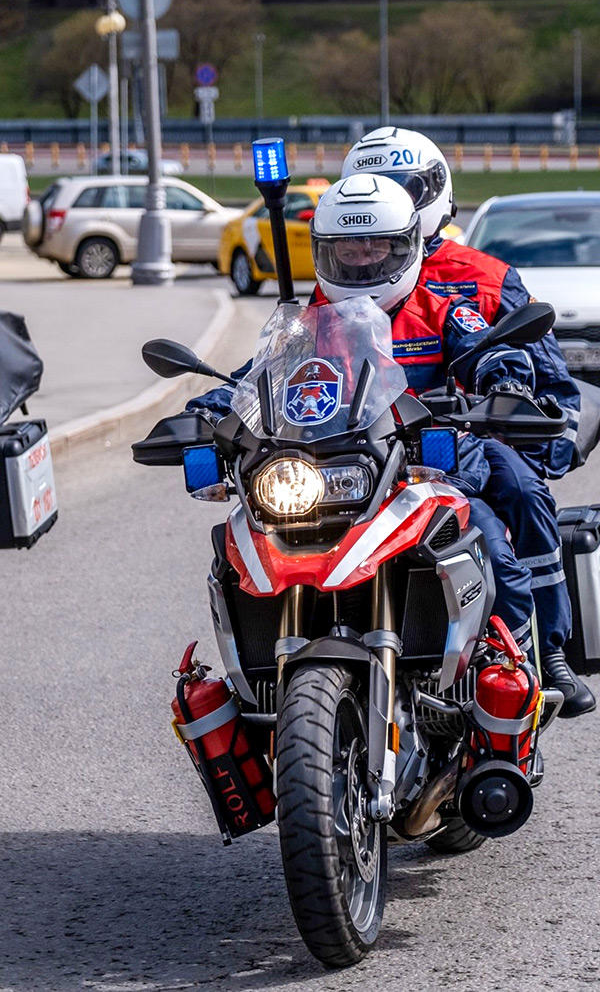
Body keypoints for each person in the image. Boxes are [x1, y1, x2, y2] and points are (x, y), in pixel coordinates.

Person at [187, 173, 540, 660]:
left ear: (406, 246)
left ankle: (516, 667)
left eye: (376, 248)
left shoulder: (443, 309)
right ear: (325, 253)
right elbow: (258, 377)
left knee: (494, 552)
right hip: (338, 471)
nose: (361, 260)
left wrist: (505, 381)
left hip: (431, 468)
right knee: (247, 545)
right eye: (347, 250)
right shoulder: (309, 326)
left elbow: (486, 350)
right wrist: (208, 409)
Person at [341, 129, 594, 716]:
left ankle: (540, 653)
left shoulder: (480, 279)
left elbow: (535, 374)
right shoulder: (341, 288)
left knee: (522, 496)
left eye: (407, 188)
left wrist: (519, 417)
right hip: (365, 451)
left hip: (464, 438)